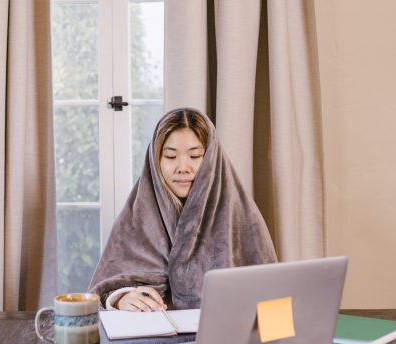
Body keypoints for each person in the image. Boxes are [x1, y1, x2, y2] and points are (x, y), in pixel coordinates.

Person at [88, 107, 277, 311]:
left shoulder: (243, 218)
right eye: (170, 157)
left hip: (225, 337)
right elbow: (102, 291)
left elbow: (273, 298)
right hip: (152, 338)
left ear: (211, 160)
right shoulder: (134, 220)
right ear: (155, 161)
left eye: (195, 156)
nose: (183, 167)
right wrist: (120, 298)